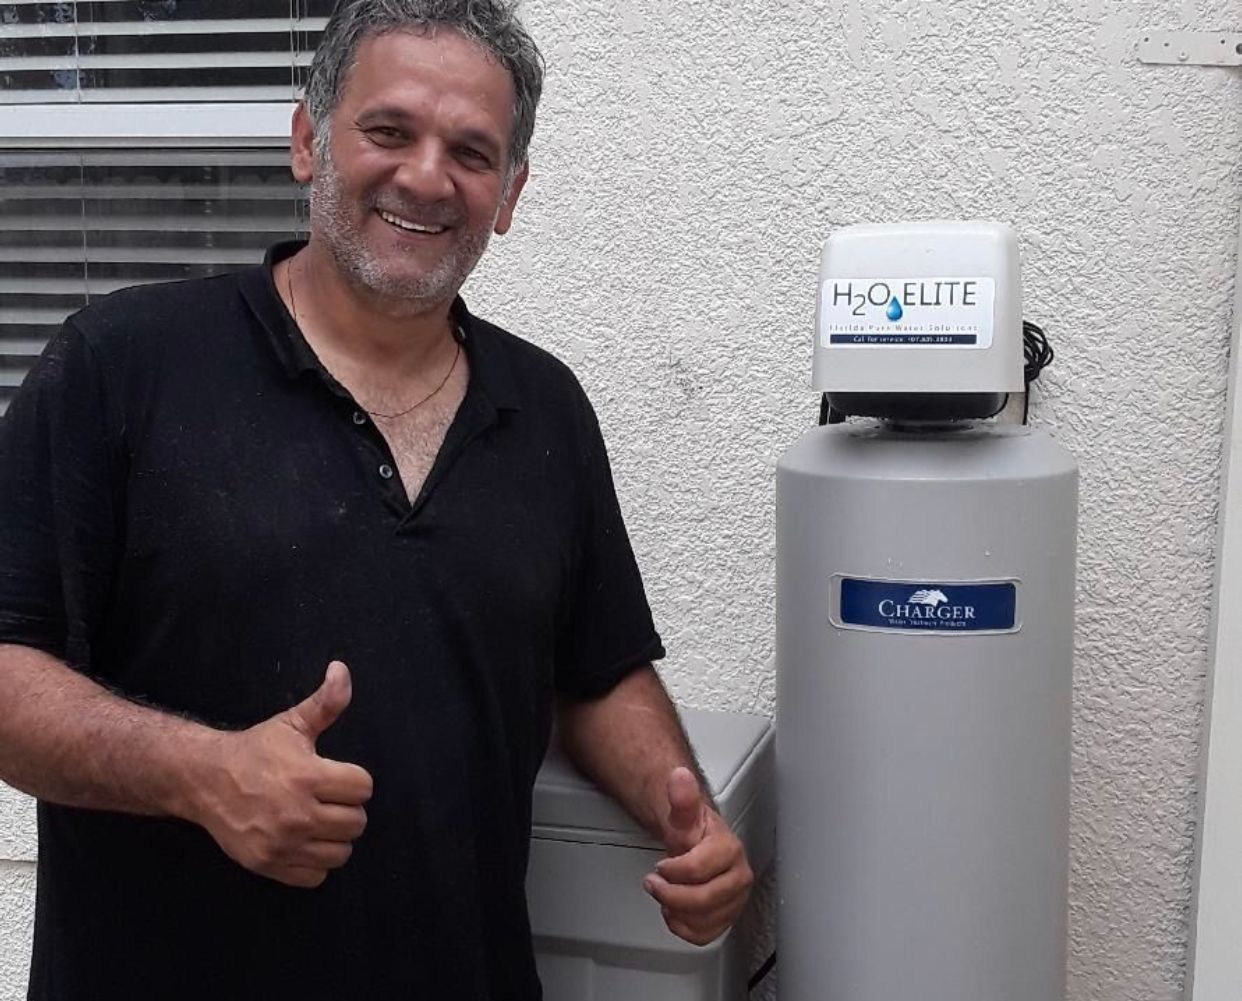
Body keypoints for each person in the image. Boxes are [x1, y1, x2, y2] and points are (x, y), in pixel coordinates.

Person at [0, 2, 752, 999]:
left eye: (471, 151)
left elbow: (597, 669)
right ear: (308, 142)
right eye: (388, 130)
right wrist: (202, 771)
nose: (427, 176)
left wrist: (686, 817)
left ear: (511, 193)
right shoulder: (122, 365)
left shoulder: (546, 410)